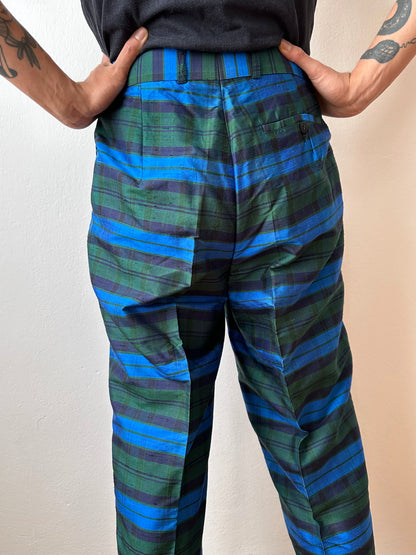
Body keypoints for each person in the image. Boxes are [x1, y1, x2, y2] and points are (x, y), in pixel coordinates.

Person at [1, 2, 414, 554]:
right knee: (314, 431)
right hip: (279, 126)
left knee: (158, 444)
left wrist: (68, 101)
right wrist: (363, 83)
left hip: (152, 145)